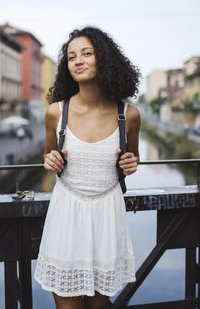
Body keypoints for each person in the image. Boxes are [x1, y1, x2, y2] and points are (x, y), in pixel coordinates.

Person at [34, 26, 141, 309]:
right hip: (66, 216)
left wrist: (132, 163)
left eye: (87, 53)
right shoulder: (55, 112)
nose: (78, 61)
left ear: (104, 59)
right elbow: (48, 155)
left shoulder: (129, 115)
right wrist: (50, 160)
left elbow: (133, 158)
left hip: (108, 216)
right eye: (71, 57)